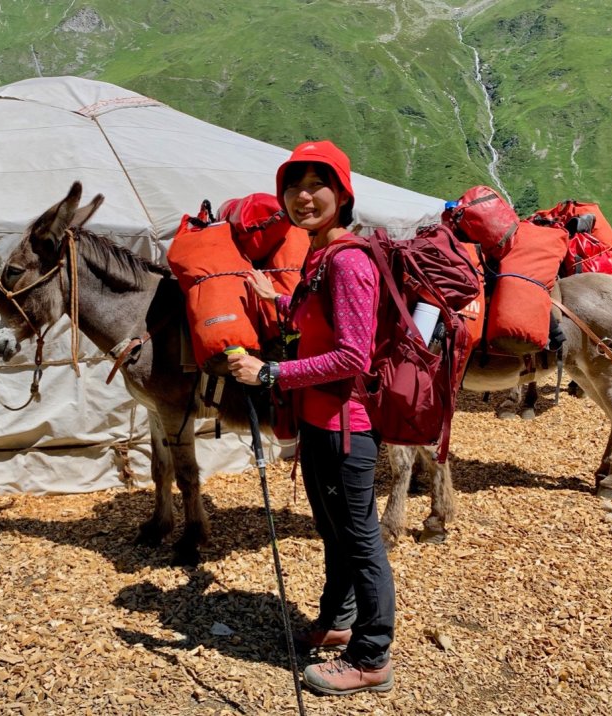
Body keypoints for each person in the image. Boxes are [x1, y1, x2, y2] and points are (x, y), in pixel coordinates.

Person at [227, 140, 395, 696]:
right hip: (320, 423)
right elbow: (313, 332)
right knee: (333, 530)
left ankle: (372, 656)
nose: (303, 196)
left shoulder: (346, 261)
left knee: (361, 538)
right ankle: (339, 620)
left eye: (316, 185)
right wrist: (273, 302)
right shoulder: (319, 258)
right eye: (293, 186)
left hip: (346, 427)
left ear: (342, 194)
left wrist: (270, 375)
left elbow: (353, 356)